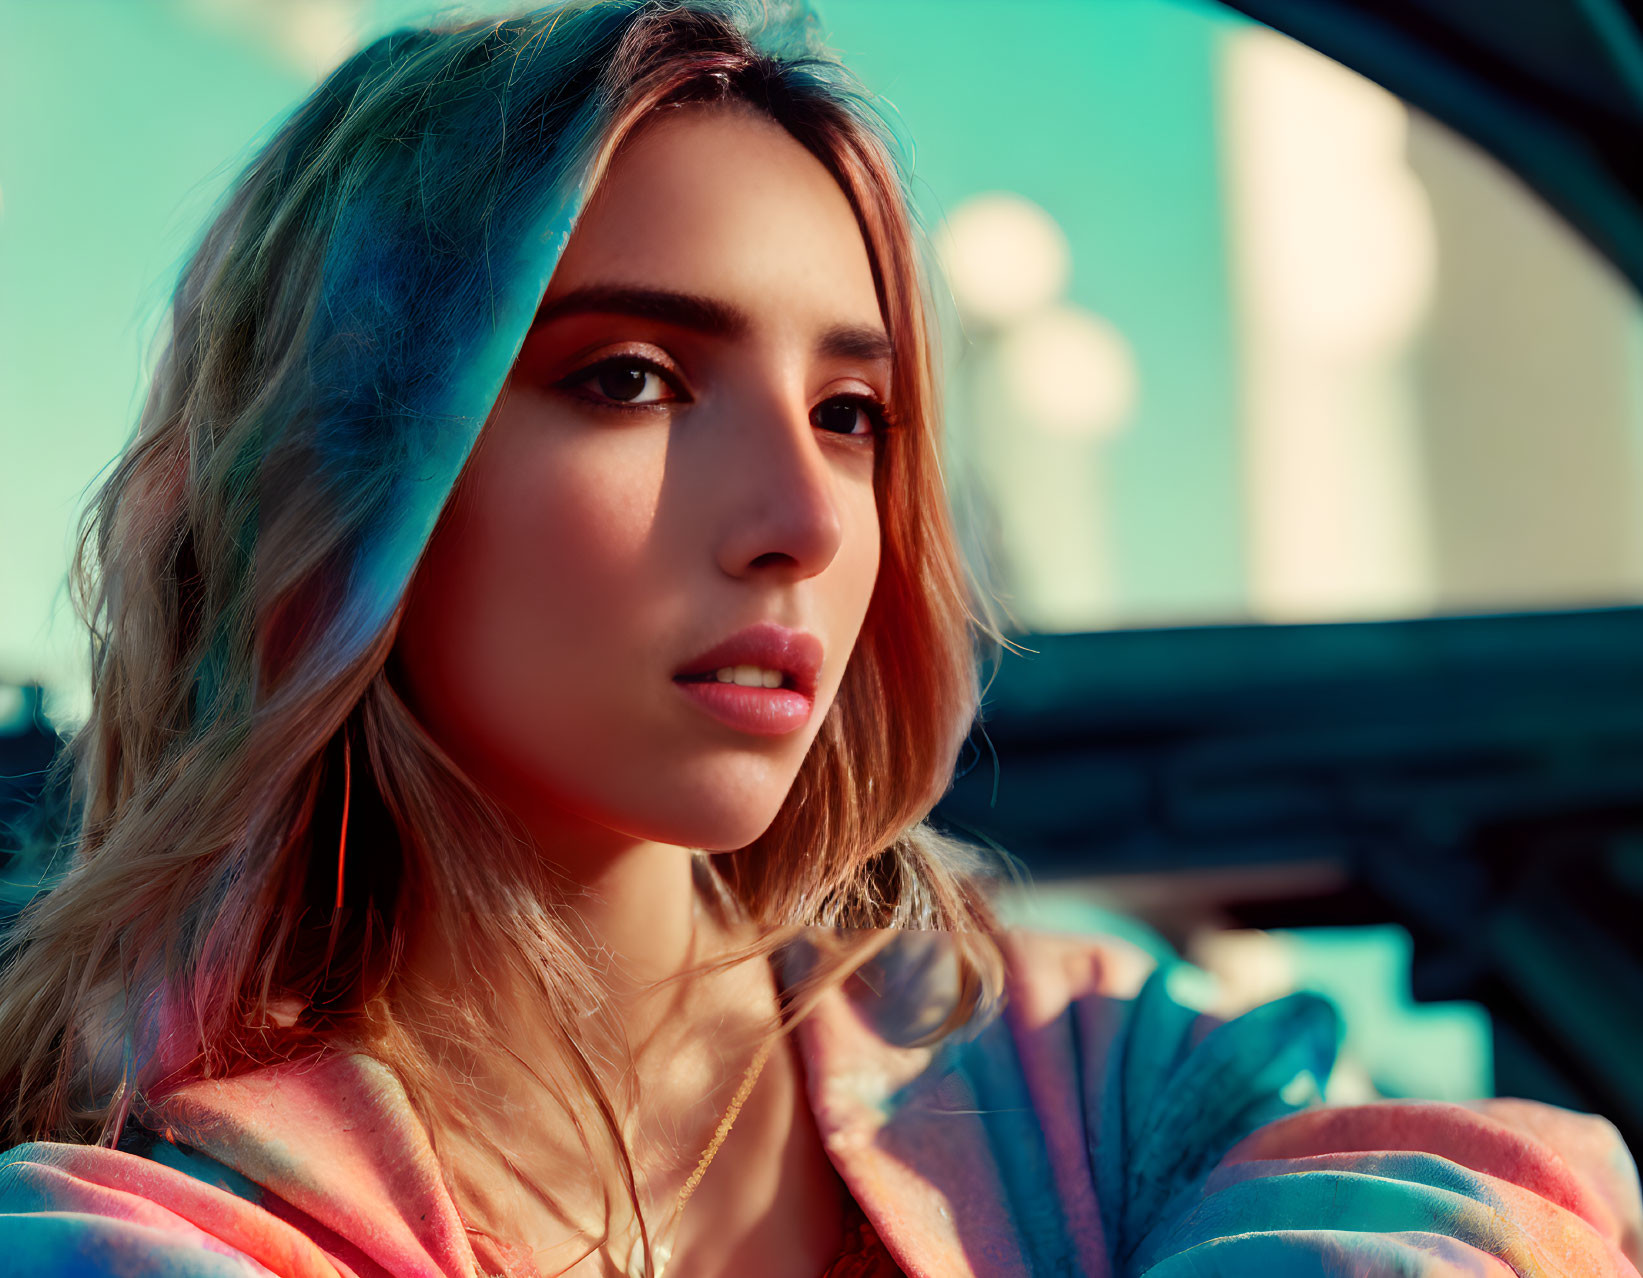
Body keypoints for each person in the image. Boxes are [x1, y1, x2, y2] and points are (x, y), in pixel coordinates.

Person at [1, 3, 1639, 1276]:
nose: (804, 512)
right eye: (631, 376)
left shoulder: (1063, 1067)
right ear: (339, 469)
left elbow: (1521, 1196)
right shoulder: (156, 1218)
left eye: (854, 411)